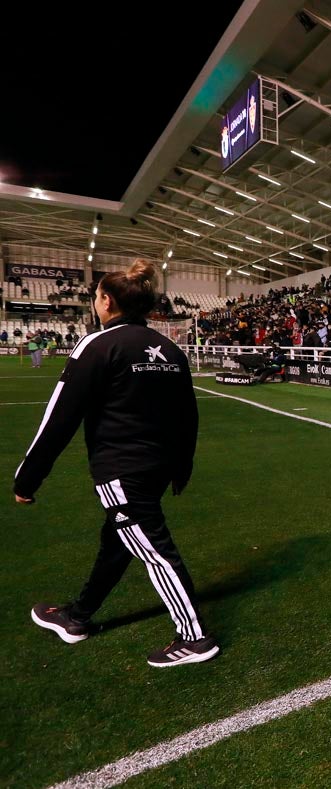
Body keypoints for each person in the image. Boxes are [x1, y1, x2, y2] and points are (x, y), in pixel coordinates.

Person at [15, 259, 217, 667]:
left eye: (95, 297)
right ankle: (77, 616)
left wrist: (27, 478)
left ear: (106, 300)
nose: (95, 303)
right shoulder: (170, 349)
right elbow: (188, 415)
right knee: (118, 543)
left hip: (121, 471)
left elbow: (59, 417)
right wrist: (182, 467)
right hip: (157, 468)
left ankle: (195, 638)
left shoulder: (98, 344)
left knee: (155, 551)